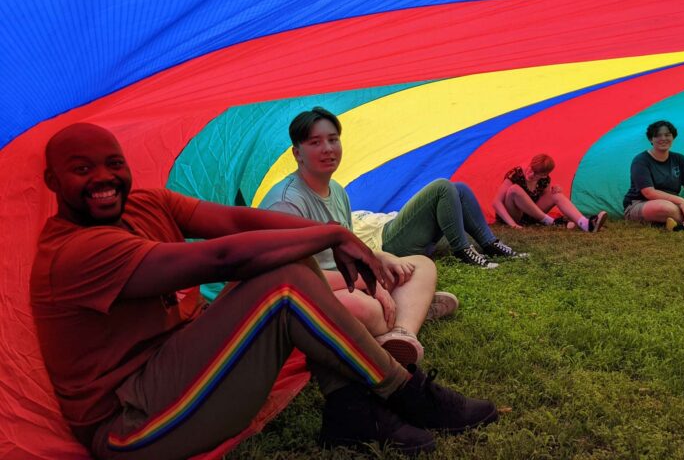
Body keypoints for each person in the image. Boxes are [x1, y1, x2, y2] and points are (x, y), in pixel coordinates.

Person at [30, 123, 498, 459]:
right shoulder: (76, 251)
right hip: (132, 425)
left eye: (114, 164)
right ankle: (407, 392)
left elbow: (236, 220)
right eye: (81, 169)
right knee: (284, 283)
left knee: (288, 259)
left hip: (179, 373)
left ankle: (349, 410)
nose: (103, 179)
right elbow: (220, 258)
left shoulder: (147, 204)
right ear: (53, 182)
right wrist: (333, 236)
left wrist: (329, 233)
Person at [262, 107, 525, 273]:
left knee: (459, 187)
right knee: (442, 187)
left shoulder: (337, 190)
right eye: (316, 142)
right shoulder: (287, 203)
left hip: (372, 248)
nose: (328, 149)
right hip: (385, 242)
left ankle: (491, 243)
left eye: (333, 140)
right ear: (298, 153)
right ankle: (463, 250)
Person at [492, 154, 608, 232]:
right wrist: (512, 224)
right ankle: (552, 222)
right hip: (514, 216)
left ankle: (584, 223)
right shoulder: (516, 173)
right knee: (514, 189)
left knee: (555, 193)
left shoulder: (544, 180)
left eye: (536, 173)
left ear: (544, 175)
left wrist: (555, 191)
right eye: (531, 169)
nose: (531, 174)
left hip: (532, 216)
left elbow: (544, 197)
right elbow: (496, 202)